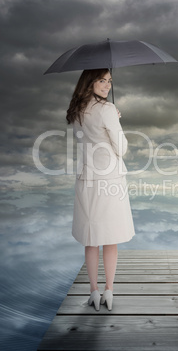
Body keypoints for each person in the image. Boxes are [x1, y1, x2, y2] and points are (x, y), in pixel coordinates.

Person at [66, 68, 135, 311]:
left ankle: (93, 291)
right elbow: (122, 147)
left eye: (109, 81)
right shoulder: (106, 109)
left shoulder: (75, 111)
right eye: (102, 80)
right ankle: (109, 291)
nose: (107, 85)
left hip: (86, 179)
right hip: (110, 180)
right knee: (111, 237)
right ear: (90, 81)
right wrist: (115, 117)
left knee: (91, 237)